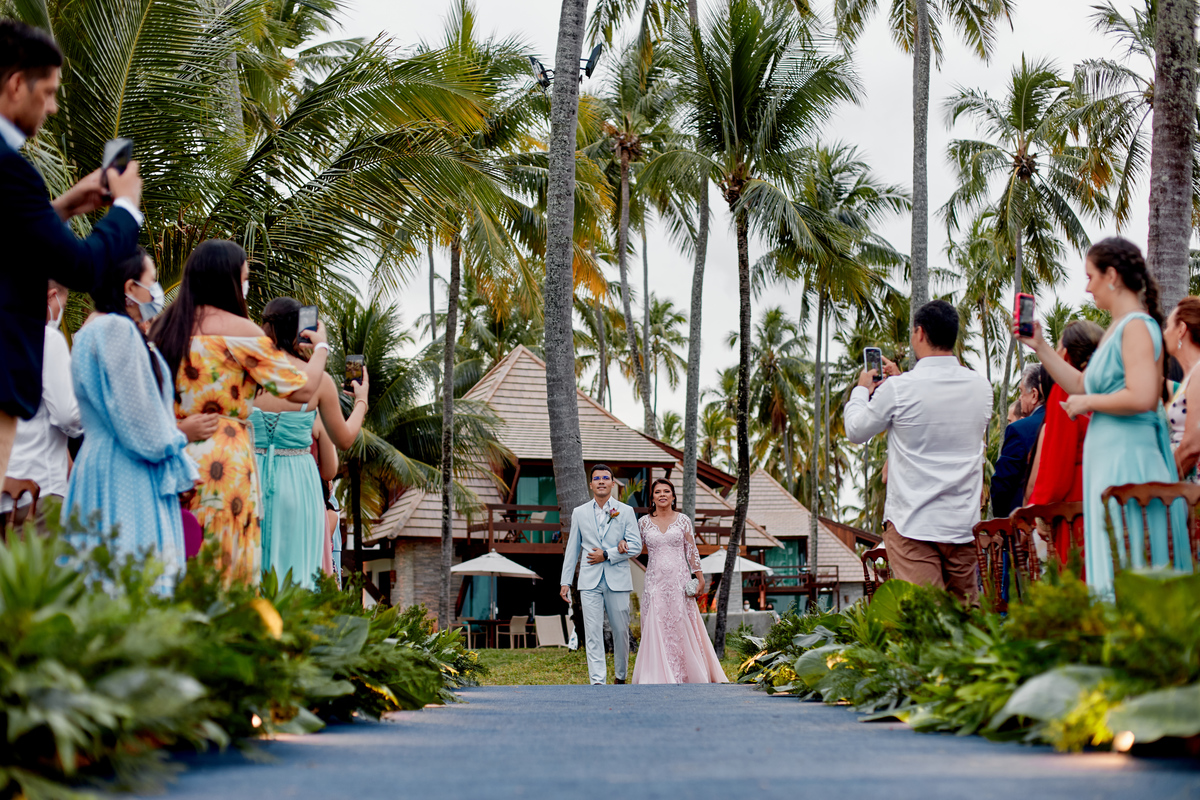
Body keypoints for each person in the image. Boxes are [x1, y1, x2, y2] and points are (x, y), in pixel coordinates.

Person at [0, 20, 143, 482]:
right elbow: (80, 268)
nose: (54, 107)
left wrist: (62, 207)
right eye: (49, 92)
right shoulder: (11, 170)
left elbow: (14, 238)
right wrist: (125, 208)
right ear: (17, 84)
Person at [1016, 237, 1188, 599]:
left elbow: (1142, 396)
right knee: (1111, 560)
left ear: (1112, 275)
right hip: (1110, 460)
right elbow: (1080, 382)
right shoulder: (1115, 329)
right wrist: (1042, 348)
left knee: (1130, 558)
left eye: (1091, 276)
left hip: (1129, 459)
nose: (1087, 286)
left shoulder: (1137, 326)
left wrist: (1087, 403)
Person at [150, 241, 328, 584]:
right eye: (244, 278)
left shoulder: (163, 328)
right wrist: (319, 348)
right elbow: (303, 388)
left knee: (173, 563)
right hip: (223, 461)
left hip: (170, 456)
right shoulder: (241, 331)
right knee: (224, 567)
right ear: (229, 280)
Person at [61, 247, 197, 588]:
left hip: (103, 463)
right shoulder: (116, 331)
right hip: (125, 469)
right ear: (129, 287)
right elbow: (140, 420)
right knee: (134, 578)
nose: (157, 291)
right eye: (151, 281)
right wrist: (177, 443)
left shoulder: (95, 330)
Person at [844, 300, 993, 603]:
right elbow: (939, 417)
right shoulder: (981, 388)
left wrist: (861, 390)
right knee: (967, 620)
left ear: (920, 333)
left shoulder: (899, 390)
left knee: (928, 624)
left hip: (914, 526)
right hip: (962, 526)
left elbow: (856, 430)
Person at [251, 297, 370, 588]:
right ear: (302, 332)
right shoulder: (319, 381)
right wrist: (362, 401)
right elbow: (343, 440)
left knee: (252, 566)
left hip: (249, 476)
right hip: (298, 484)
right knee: (299, 571)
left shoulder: (248, 371)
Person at [630, 478, 727, 685]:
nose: (662, 494)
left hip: (679, 580)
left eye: (667, 491)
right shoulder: (643, 522)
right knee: (657, 621)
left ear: (673, 497)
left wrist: (699, 577)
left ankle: (687, 672)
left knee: (681, 620)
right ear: (653, 497)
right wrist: (622, 543)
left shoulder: (683, 520)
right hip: (655, 581)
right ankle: (657, 673)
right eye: (658, 492)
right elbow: (636, 549)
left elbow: (692, 551)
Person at [1025, 320, 1104, 570]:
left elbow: (1057, 462)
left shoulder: (1065, 388)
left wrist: (1040, 508)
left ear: (1065, 354)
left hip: (1076, 505)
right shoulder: (1109, 385)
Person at [2, 280, 81, 522]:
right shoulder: (47, 338)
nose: (60, 313)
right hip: (39, 492)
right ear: (51, 297)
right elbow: (67, 415)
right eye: (63, 306)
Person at [559, 464, 642, 685]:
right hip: (589, 581)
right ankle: (598, 681)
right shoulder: (579, 512)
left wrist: (607, 554)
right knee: (593, 631)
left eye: (606, 478)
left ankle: (621, 676)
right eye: (597, 478)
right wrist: (566, 581)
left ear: (613, 483)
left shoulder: (625, 511)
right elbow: (573, 549)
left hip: (618, 579)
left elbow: (636, 547)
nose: (602, 481)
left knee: (621, 632)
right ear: (591, 484)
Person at [991, 364, 1052, 518]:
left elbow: (1002, 484)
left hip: (1022, 522)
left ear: (1034, 395)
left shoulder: (1019, 430)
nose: (1019, 398)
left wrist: (1002, 521)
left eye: (1021, 392)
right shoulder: (1064, 421)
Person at [1163, 297, 1200, 483]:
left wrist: (1163, 484)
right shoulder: (1191, 376)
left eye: (1168, 326)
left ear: (1181, 329)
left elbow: (1193, 444)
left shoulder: (1199, 372)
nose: (1165, 333)